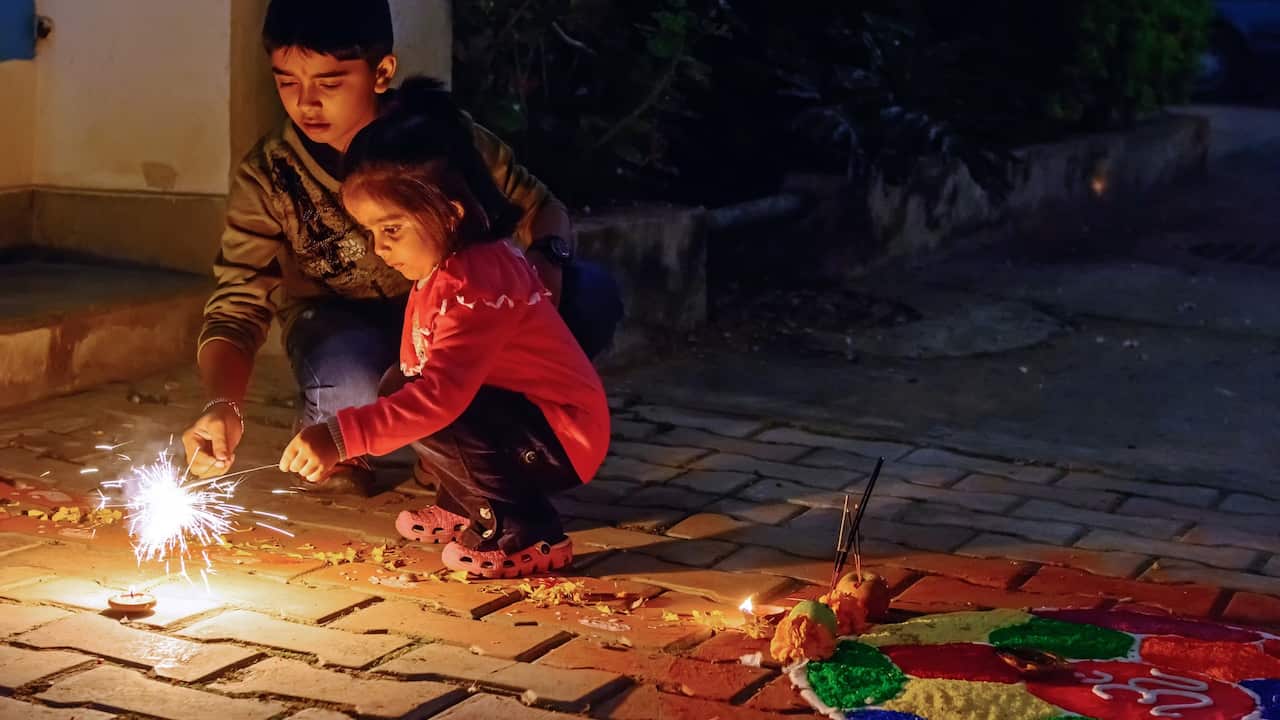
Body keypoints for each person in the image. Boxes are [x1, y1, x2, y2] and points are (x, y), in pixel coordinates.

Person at [180, 0, 620, 493]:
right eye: (287, 82)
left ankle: (502, 438)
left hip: (452, 313)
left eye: (328, 83)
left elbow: (541, 207)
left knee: (588, 297)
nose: (306, 103)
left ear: (381, 72)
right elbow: (237, 306)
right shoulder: (270, 175)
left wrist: (546, 272)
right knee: (355, 389)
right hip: (341, 324)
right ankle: (363, 434)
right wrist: (223, 407)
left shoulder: (435, 142)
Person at [278, 79, 609, 578]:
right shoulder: (449, 263)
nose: (379, 248)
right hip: (524, 423)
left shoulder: (479, 283)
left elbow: (442, 399)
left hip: (559, 439)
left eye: (391, 230)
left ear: (451, 214)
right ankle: (466, 505)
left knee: (440, 407)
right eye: (370, 232)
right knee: (399, 385)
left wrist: (343, 437)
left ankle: (528, 530)